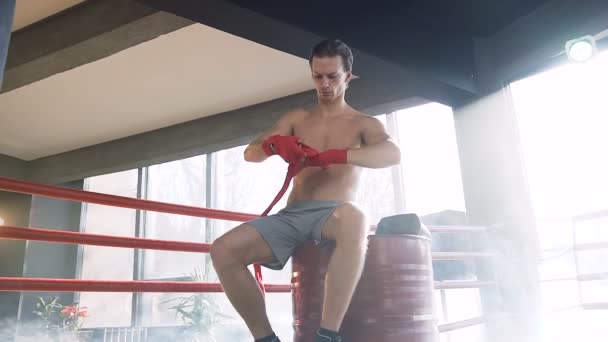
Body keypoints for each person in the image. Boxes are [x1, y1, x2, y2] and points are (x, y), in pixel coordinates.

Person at [210, 39, 401, 342]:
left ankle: (327, 336)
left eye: (332, 76)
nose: (324, 84)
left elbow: (392, 154)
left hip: (333, 214)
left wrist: (337, 155)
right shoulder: (297, 118)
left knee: (357, 217)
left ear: (348, 77)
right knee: (222, 250)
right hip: (292, 215)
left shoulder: (362, 123)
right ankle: (266, 338)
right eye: (318, 76)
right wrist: (274, 145)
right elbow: (250, 153)